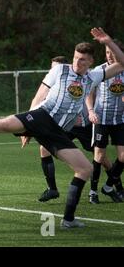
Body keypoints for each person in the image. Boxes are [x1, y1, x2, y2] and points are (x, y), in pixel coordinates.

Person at [0, 27, 124, 228]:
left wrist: (108, 41)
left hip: (58, 132)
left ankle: (68, 220)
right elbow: (39, 96)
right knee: (4, 124)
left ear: (90, 61)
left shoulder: (94, 76)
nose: (77, 62)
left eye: (82, 59)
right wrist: (28, 127)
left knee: (85, 168)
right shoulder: (59, 70)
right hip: (41, 116)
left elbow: (121, 64)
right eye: (75, 57)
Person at [35, 56, 96, 203]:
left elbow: (87, 95)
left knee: (100, 155)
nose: (52, 70)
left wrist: (88, 112)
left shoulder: (74, 80)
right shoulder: (54, 83)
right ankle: (52, 189)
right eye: (52, 67)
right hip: (64, 126)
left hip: (82, 124)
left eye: (55, 67)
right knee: (44, 149)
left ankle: (112, 183)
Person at [87, 39, 124, 203]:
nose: (109, 55)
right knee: (99, 156)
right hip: (101, 119)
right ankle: (93, 192)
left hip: (120, 120)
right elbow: (89, 92)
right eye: (107, 52)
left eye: (112, 52)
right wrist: (90, 110)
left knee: (123, 157)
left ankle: (108, 186)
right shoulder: (99, 70)